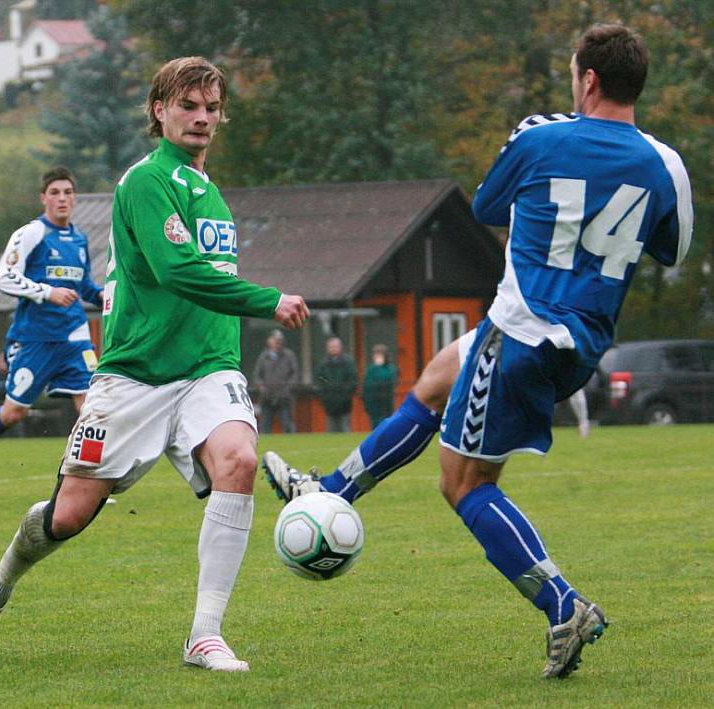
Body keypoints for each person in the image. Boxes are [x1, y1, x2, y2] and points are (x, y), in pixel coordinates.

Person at [263, 25, 692, 678]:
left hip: (521, 332)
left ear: (589, 81)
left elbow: (489, 204)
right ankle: (329, 488)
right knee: (437, 378)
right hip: (581, 343)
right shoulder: (666, 165)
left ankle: (563, 604)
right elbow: (672, 249)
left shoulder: (542, 135)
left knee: (462, 483)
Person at [0, 56, 309, 673]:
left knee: (239, 460)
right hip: (135, 375)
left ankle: (205, 635)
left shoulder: (210, 192)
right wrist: (268, 301)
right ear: (159, 110)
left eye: (211, 108)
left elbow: (207, 278)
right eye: (188, 106)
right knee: (67, 516)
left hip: (209, 366)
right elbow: (177, 271)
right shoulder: (147, 181)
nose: (201, 118)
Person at [0, 166, 103, 489]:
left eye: (68, 193)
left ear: (74, 198)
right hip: (34, 339)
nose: (62, 199)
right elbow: (4, 277)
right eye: (55, 193)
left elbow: (82, 284)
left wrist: (104, 298)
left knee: (92, 409)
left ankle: (84, 484)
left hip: (74, 337)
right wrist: (47, 292)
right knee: (13, 412)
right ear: (43, 198)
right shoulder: (31, 233)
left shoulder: (80, 238)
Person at [252, 329, 298, 433]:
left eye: (280, 339)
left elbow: (294, 375)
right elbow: (257, 375)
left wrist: (287, 389)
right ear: (269, 341)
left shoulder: (289, 356)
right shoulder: (263, 357)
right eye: (275, 339)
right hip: (267, 397)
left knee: (287, 425)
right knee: (265, 426)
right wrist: (261, 388)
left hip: (284, 397)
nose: (278, 342)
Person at [315, 336, 358, 432]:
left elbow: (353, 380)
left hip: (345, 402)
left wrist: (345, 395)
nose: (333, 349)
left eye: (335, 346)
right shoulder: (323, 364)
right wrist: (325, 397)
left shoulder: (348, 362)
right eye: (331, 347)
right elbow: (320, 381)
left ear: (340, 347)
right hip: (329, 402)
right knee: (331, 430)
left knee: (345, 429)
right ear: (327, 348)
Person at [361, 344, 398, 429]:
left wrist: (378, 367)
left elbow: (388, 378)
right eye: (376, 354)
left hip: (386, 400)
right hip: (373, 401)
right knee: (375, 424)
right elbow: (367, 383)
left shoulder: (390, 368)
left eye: (380, 355)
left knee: (386, 424)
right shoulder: (371, 368)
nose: (377, 357)